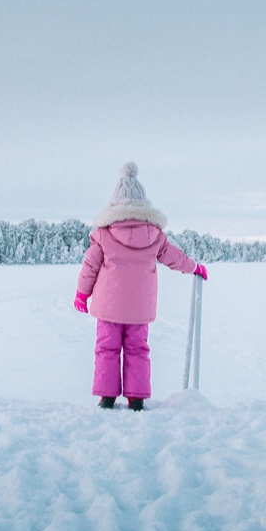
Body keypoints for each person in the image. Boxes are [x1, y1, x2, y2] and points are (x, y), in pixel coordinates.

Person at [75, 162, 207, 409]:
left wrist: (82, 295)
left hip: (108, 308)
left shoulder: (104, 235)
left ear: (115, 205)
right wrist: (195, 267)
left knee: (107, 348)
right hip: (140, 309)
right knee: (137, 349)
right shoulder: (155, 235)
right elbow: (174, 257)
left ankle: (107, 397)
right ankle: (136, 398)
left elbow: (89, 266)